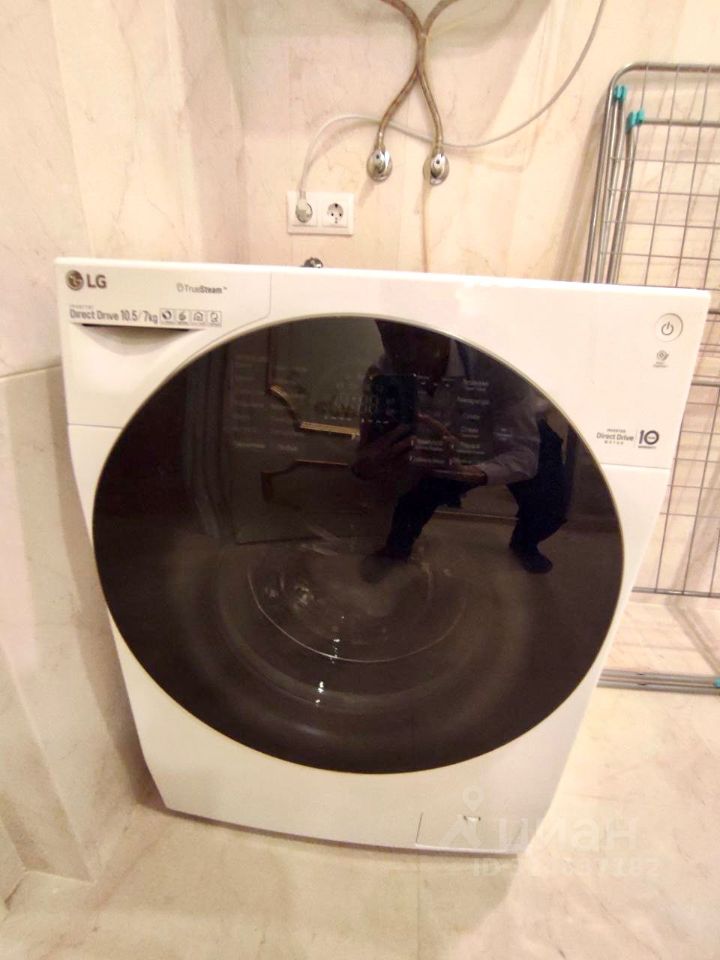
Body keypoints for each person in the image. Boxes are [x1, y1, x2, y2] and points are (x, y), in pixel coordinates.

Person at [351, 322, 566, 574]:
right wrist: (373, 461)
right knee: (417, 499)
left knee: (550, 509)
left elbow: (524, 455)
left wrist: (467, 472)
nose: (407, 351)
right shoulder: (384, 372)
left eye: (420, 336)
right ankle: (397, 548)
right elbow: (367, 456)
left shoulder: (499, 364)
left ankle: (525, 543)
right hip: (451, 440)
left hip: (525, 428)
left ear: (445, 327)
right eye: (392, 336)